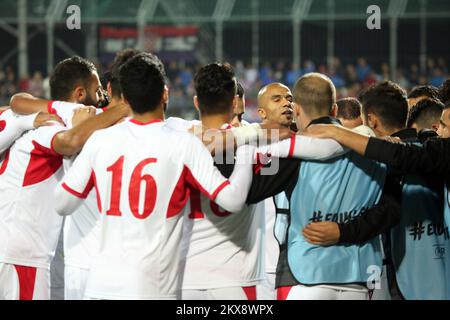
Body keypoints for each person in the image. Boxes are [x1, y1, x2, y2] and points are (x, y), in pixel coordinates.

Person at [53, 53, 255, 300]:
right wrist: (246, 151)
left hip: (99, 286)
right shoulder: (183, 143)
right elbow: (232, 200)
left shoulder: (99, 141)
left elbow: (62, 204)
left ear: (125, 98)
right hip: (150, 288)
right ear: (165, 94)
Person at [2, 56, 129, 300]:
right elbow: (70, 141)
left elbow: (17, 101)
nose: (101, 97)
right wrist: (124, 107)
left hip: (18, 249)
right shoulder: (53, 127)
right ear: (80, 95)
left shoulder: (31, 116)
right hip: (22, 254)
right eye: (97, 90)